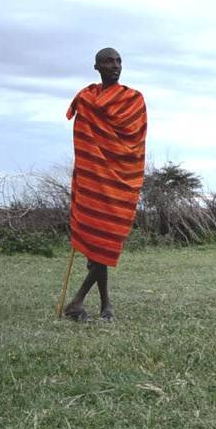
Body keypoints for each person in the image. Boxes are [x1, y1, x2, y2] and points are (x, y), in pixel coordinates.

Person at [63, 48, 147, 322]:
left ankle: (81, 302)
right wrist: (88, 168)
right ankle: (102, 306)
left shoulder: (133, 100)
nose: (115, 66)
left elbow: (134, 142)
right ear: (96, 67)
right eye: (108, 62)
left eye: (119, 61)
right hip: (93, 179)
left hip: (120, 181)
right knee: (98, 243)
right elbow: (83, 139)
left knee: (106, 240)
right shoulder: (86, 99)